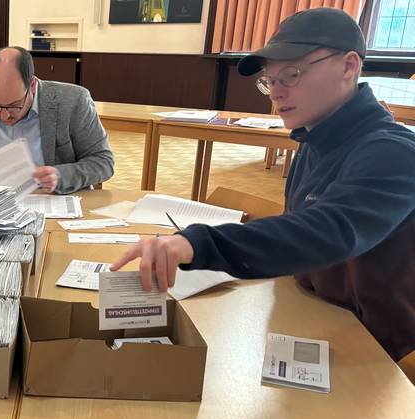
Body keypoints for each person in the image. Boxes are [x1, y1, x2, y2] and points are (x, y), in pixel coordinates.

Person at [110, 8, 415, 362]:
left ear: (349, 66)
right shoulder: (313, 139)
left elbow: (325, 232)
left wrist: (198, 243)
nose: (275, 93)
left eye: (292, 74)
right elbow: (296, 237)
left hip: (377, 346)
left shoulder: (393, 153)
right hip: (312, 312)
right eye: (270, 81)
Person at [0, 46, 114, 194]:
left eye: (14, 105)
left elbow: (103, 162)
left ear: (32, 85)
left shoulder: (73, 101)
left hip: (53, 204)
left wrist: (60, 175)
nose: (4, 115)